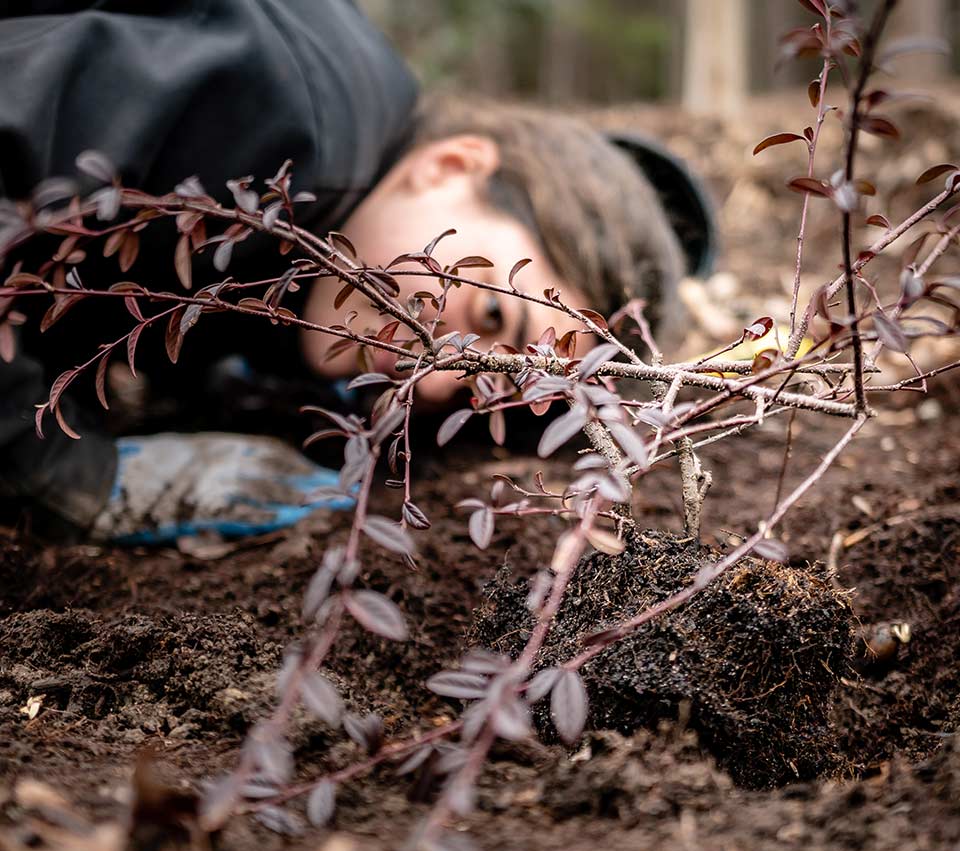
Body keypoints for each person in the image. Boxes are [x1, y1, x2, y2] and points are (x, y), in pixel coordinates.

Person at [0, 0, 714, 543]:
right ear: (450, 166)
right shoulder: (283, 118)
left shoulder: (326, 218)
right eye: (492, 312)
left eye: (483, 384)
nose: (434, 378)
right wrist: (49, 465)